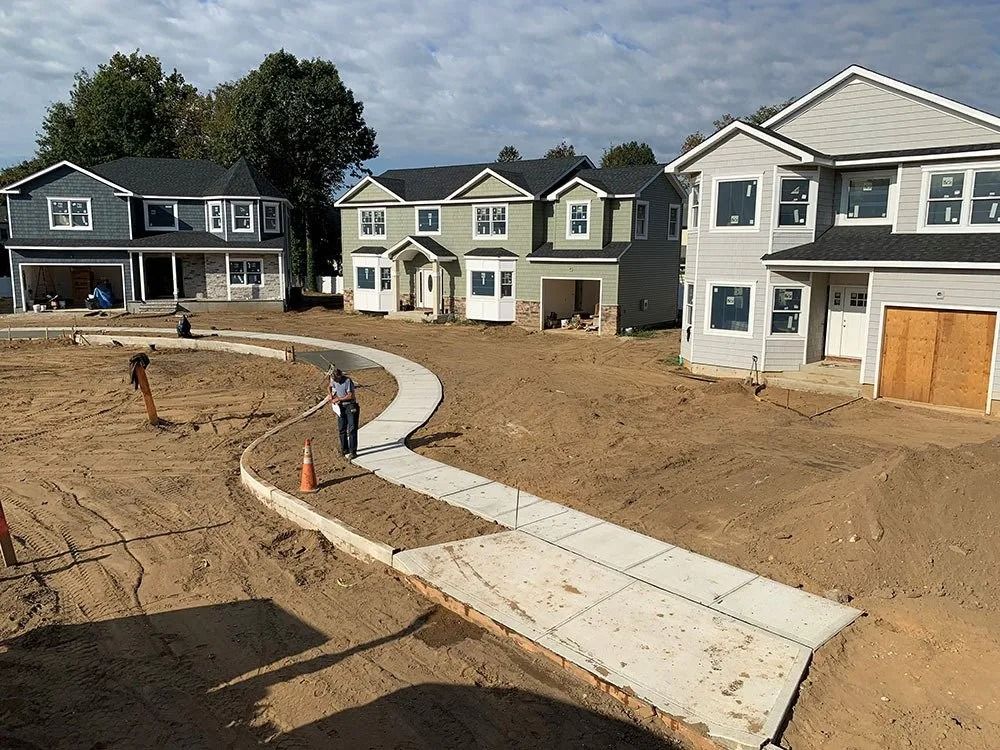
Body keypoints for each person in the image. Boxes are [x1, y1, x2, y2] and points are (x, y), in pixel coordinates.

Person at [329, 368, 359, 459]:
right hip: (340, 407)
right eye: (334, 380)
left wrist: (339, 399)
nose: (336, 381)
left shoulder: (347, 381)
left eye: (337, 380)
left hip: (350, 406)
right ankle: (344, 449)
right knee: (342, 428)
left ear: (340, 376)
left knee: (352, 428)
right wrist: (331, 395)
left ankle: (353, 451)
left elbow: (350, 395)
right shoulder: (334, 380)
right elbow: (329, 386)